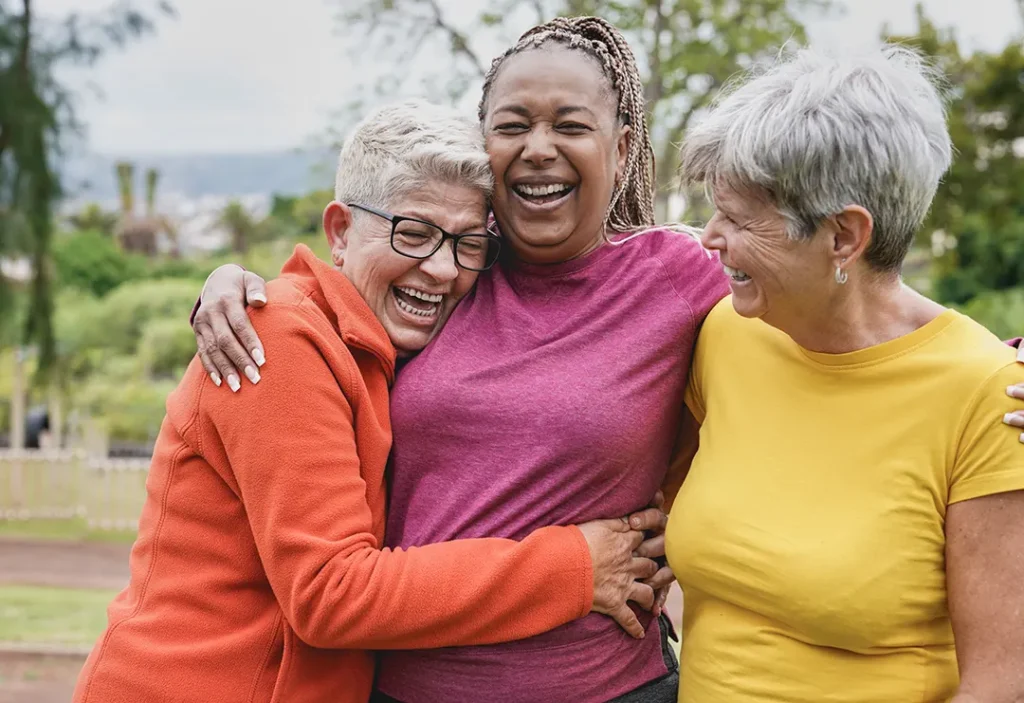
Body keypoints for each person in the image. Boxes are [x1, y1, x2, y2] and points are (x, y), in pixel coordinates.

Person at [190, 19, 1024, 703]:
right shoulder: (444, 273)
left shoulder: (686, 282)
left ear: (621, 150)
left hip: (610, 687)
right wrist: (232, 286)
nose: (540, 147)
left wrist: (1001, 364)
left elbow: (852, 311)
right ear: (486, 148)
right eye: (513, 125)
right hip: (406, 688)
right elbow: (330, 296)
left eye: (572, 126)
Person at [72, 99, 667, 703]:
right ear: (339, 231)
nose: (440, 268)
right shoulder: (278, 338)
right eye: (413, 233)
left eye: (467, 244)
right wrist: (572, 568)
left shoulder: (389, 346)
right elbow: (331, 592)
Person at [664, 46, 1024, 702]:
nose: (709, 237)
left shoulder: (988, 396)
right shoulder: (726, 331)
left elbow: (1001, 682)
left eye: (740, 219)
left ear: (844, 238)